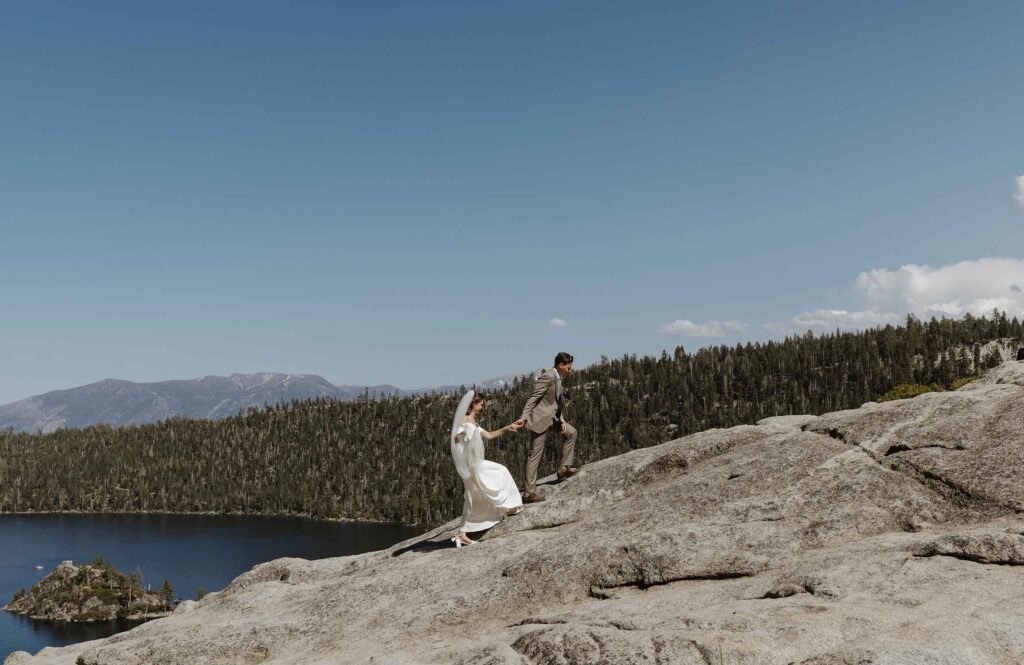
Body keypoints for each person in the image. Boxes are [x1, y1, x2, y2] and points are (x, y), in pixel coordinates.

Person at [449, 392, 523, 547]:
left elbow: (488, 435)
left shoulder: (472, 421)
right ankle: (462, 533)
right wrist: (463, 434)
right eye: (481, 404)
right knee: (472, 495)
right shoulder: (462, 420)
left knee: (500, 472)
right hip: (470, 464)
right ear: (473, 404)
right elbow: (456, 439)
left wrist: (506, 428)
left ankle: (505, 508)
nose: (483, 407)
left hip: (477, 462)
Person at [515, 352, 578, 504]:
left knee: (572, 433)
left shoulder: (558, 377)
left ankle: (563, 470)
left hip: (553, 419)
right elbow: (534, 398)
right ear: (561, 365)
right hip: (539, 420)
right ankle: (528, 493)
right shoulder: (548, 376)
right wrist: (523, 418)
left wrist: (561, 420)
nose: (571, 370)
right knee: (535, 455)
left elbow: (556, 403)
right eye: (569, 368)